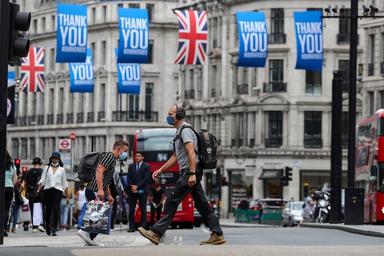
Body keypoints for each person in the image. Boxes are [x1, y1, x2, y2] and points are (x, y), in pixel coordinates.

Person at [138, 104, 226, 245]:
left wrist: (191, 173)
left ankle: (156, 233)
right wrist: (161, 169)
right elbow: (175, 157)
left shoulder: (185, 131)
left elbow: (191, 152)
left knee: (172, 200)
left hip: (189, 171)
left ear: (179, 116)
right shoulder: (179, 131)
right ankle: (217, 234)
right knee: (202, 204)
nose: (168, 116)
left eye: (171, 114)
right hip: (191, 171)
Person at [77, 140, 129, 246]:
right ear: (119, 150)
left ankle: (90, 237)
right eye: (125, 151)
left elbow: (106, 180)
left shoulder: (113, 160)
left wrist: (109, 194)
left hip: (96, 190)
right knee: (99, 214)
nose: (126, 154)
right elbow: (99, 171)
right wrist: (100, 190)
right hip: (94, 190)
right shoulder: (109, 156)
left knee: (99, 214)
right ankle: (85, 232)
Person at [38, 152, 68, 236]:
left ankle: (54, 228)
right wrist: (38, 188)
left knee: (56, 209)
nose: (54, 160)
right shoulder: (46, 168)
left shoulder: (62, 169)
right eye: (53, 158)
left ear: (59, 159)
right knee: (48, 209)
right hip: (48, 190)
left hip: (58, 191)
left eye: (56, 158)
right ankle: (48, 226)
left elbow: (64, 182)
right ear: (51, 159)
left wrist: (67, 195)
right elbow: (42, 180)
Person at [126, 152, 151, 232]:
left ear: (142, 157)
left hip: (142, 191)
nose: (137, 157)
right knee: (131, 210)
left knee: (143, 209)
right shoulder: (131, 166)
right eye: (136, 156)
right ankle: (131, 227)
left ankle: (143, 227)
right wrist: (132, 186)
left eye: (139, 156)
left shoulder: (146, 166)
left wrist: (137, 186)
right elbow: (128, 178)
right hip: (132, 191)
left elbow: (146, 178)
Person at [22, 157, 45, 233]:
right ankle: (41, 225)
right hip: (40, 193)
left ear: (33, 164)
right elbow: (43, 183)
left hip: (31, 193)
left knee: (32, 209)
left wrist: (24, 192)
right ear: (40, 164)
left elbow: (24, 183)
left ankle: (34, 227)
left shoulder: (29, 171)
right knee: (41, 208)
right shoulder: (42, 172)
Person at [3, 151, 17, 237]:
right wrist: (11, 185)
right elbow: (14, 178)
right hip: (9, 188)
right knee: (6, 210)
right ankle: (4, 229)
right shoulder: (12, 166)